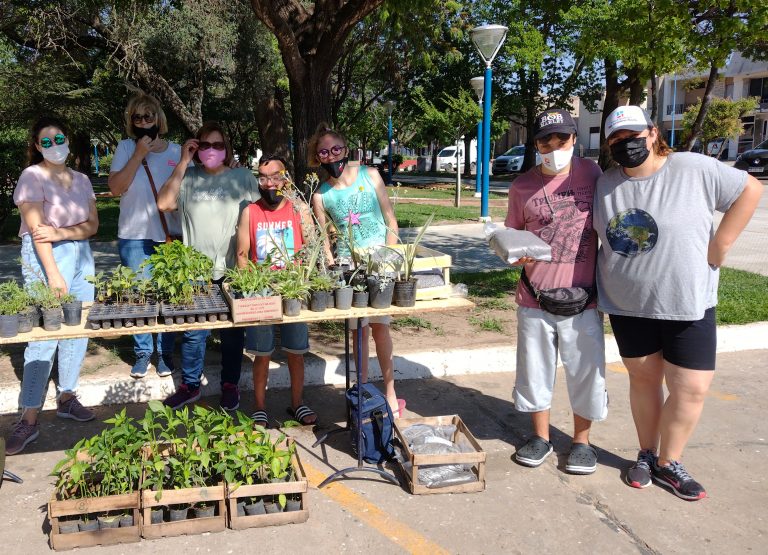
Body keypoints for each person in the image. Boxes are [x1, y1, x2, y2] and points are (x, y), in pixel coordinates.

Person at [595, 105, 763, 500]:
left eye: (633, 135)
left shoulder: (691, 168)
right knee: (645, 380)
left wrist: (721, 242)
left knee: (691, 388)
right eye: (617, 139)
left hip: (688, 302)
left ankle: (670, 462)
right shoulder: (605, 183)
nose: (626, 144)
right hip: (628, 303)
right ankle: (647, 454)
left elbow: (749, 189)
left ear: (653, 133)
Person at [505, 109, 607, 474]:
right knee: (534, 371)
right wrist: (511, 252)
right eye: (545, 141)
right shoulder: (522, 187)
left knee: (586, 372)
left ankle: (582, 441)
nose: (553, 147)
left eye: (561, 139)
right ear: (535, 144)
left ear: (575, 140)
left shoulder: (593, 174)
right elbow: (512, 236)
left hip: (584, 298)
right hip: (535, 297)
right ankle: (540, 437)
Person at [5, 116, 99, 456]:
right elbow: (36, 229)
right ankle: (28, 418)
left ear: (67, 138)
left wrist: (63, 232)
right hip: (46, 256)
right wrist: (53, 275)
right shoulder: (32, 177)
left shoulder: (82, 179)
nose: (54, 145)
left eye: (58, 138)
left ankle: (66, 396)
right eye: (45, 142)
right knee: (44, 334)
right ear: (36, 146)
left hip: (80, 254)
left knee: (77, 329)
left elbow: (92, 225)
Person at [157, 121, 259, 411]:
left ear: (226, 148)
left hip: (233, 268)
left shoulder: (241, 177)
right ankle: (190, 385)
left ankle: (230, 384)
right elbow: (164, 204)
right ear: (196, 147)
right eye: (205, 145)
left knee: (232, 331)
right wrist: (183, 162)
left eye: (218, 145)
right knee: (194, 331)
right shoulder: (187, 178)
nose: (211, 150)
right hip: (195, 270)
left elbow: (257, 217)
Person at [309, 124, 403, 417]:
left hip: (379, 262)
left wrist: (388, 258)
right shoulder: (321, 195)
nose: (331, 156)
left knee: (380, 328)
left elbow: (390, 219)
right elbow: (324, 238)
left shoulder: (370, 175)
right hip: (349, 269)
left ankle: (390, 391)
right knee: (357, 333)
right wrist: (332, 264)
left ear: (345, 148)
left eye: (335, 149)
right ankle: (361, 392)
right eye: (323, 152)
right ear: (318, 157)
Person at [235, 154, 317, 427]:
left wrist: (303, 280)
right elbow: (243, 255)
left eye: (274, 177)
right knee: (262, 352)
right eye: (263, 177)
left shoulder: (298, 209)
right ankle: (259, 407)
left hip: (293, 290)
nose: (269, 183)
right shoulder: (251, 211)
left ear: (285, 178)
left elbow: (310, 247)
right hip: (262, 293)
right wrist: (253, 287)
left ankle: (298, 403)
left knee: (296, 351)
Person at [108, 93, 180, 379]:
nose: (143, 121)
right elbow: (115, 188)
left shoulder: (175, 151)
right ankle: (142, 353)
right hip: (135, 235)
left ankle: (164, 353)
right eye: (137, 117)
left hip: (170, 235)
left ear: (158, 119)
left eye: (148, 116)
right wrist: (139, 154)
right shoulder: (126, 147)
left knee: (169, 297)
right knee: (140, 297)